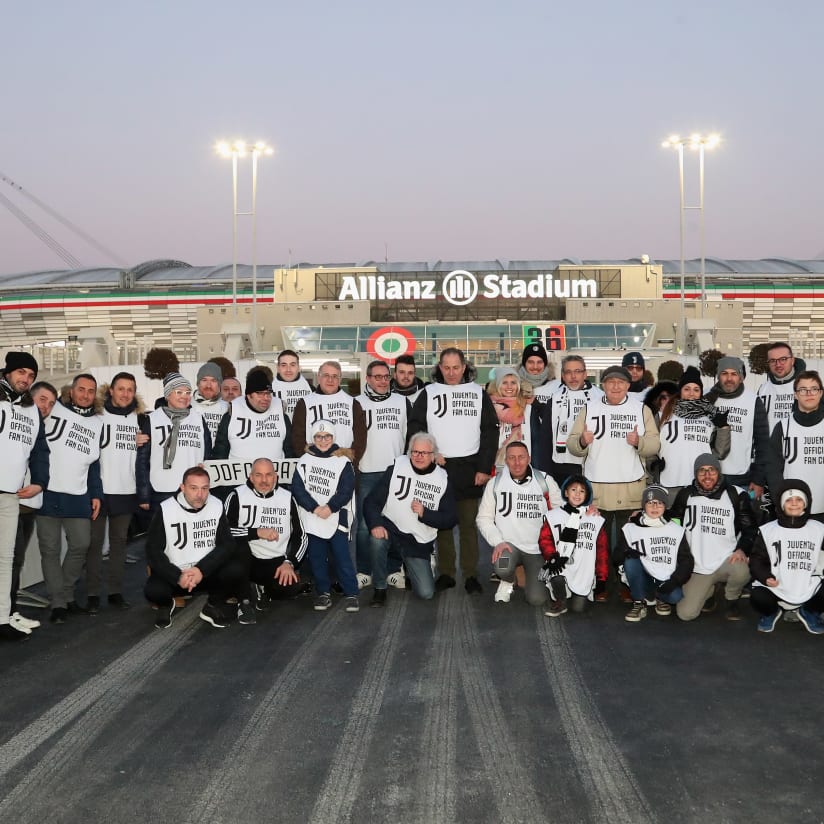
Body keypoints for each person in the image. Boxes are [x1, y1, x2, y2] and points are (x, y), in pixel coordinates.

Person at [407, 347, 499, 594]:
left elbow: (490, 431)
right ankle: (446, 573)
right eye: (446, 367)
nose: (451, 372)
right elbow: (416, 427)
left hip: (470, 468)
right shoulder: (428, 393)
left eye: (455, 367)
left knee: (469, 525)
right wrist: (429, 453)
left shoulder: (478, 393)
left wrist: (484, 468)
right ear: (439, 368)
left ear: (464, 367)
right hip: (438, 467)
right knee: (442, 524)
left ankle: (470, 574)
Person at [567, 364, 660, 601]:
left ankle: (628, 582)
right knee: (598, 540)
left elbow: (655, 445)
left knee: (629, 540)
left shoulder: (641, 410)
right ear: (603, 385)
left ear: (628, 385)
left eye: (621, 382)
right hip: (597, 487)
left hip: (631, 486)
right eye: (610, 382)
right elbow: (572, 444)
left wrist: (639, 441)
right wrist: (583, 442)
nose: (616, 386)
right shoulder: (589, 408)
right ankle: (601, 582)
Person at [144, 466, 247, 629]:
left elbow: (227, 544)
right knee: (154, 590)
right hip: (177, 575)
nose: (200, 494)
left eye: (204, 488)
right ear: (182, 488)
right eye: (193, 488)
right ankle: (166, 604)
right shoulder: (166, 508)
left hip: (204, 573)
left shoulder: (216, 505)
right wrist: (178, 576)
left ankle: (212, 606)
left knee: (236, 570)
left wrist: (201, 569)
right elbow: (153, 550)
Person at [37, 373, 103, 623]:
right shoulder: (54, 410)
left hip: (78, 494)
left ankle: (65, 594)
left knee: (81, 545)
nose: (86, 395)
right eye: (81, 389)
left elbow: (94, 464)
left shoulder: (98, 421)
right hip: (48, 493)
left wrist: (96, 493)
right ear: (72, 391)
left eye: (90, 391)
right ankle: (58, 603)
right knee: (50, 550)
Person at [364, 432, 456, 604]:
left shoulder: (442, 479)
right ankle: (379, 588)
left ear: (433, 455)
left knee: (427, 593)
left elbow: (450, 519)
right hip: (391, 528)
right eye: (415, 452)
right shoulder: (397, 467)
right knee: (376, 540)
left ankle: (414, 564)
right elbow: (371, 501)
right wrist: (375, 524)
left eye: (424, 453)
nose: (418, 457)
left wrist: (425, 514)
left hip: (417, 541)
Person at [86, 372, 147, 613]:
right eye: (120, 388)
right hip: (99, 491)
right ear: (111, 390)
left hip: (126, 490)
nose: (125, 394)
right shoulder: (97, 415)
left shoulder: (140, 419)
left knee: (119, 544)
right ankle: (92, 594)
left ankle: (115, 592)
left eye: (129, 389)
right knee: (94, 544)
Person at [670, 454, 757, 621]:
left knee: (742, 570)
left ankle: (731, 598)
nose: (707, 475)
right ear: (695, 474)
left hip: (727, 560)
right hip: (697, 564)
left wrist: (742, 549)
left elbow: (750, 529)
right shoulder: (686, 494)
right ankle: (709, 592)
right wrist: (643, 515)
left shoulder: (736, 495)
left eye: (712, 470)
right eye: (702, 471)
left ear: (719, 472)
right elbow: (673, 521)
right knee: (685, 614)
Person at [0, 353, 49, 641]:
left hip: (10, 493)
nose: (26, 379)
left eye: (31, 375)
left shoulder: (31, 410)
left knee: (6, 559)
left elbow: (40, 451)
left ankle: (2, 617)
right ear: (7, 372)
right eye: (21, 372)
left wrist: (40, 482)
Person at [476, 440, 561, 606]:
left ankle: (524, 573)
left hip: (536, 549)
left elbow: (560, 513)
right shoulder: (496, 483)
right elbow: (483, 518)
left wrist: (583, 511)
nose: (516, 462)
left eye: (521, 457)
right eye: (512, 458)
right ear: (505, 460)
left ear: (529, 458)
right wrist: (498, 542)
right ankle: (507, 581)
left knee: (537, 599)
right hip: (508, 546)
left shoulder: (544, 481)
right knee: (502, 567)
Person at [291, 420, 359, 612]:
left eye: (327, 436)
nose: (323, 440)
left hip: (336, 516)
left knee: (342, 557)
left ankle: (352, 593)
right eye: (319, 437)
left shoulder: (343, 461)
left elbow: (347, 489)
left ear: (333, 437)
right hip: (312, 517)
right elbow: (298, 488)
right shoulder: (304, 460)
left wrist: (330, 507)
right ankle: (323, 592)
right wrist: (314, 507)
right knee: (317, 558)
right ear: (313, 439)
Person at [224, 458, 307, 613]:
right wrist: (256, 532)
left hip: (275, 561)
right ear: (251, 477)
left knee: (289, 589)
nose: (264, 480)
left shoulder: (288, 498)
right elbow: (224, 532)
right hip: (246, 558)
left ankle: (260, 588)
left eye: (268, 475)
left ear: (275, 476)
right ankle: (245, 593)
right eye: (258, 475)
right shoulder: (236, 495)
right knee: (237, 551)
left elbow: (301, 536)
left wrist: (290, 563)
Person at [354, 360, 410, 587]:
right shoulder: (356, 403)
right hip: (366, 472)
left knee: (395, 522)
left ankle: (393, 569)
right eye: (377, 376)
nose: (382, 381)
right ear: (367, 379)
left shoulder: (402, 402)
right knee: (365, 525)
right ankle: (364, 570)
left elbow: (409, 436)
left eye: (386, 377)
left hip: (394, 473)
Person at [9, 380, 56, 636]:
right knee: (10, 562)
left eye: (50, 404)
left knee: (16, 561)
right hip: (13, 503)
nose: (46, 407)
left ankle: (9, 611)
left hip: (29, 506)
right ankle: (7, 612)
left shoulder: (40, 427)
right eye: (42, 400)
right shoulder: (18, 421)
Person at [749, 479, 824, 634]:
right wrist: (765, 577)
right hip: (777, 585)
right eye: (789, 500)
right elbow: (757, 559)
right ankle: (771, 612)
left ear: (806, 503)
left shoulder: (818, 529)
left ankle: (809, 611)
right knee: (758, 596)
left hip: (809, 583)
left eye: (799, 499)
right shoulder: (768, 530)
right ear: (782, 505)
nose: (794, 503)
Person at [615, 484, 693, 622]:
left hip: (665, 579)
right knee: (631, 561)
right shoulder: (631, 528)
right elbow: (616, 557)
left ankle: (658, 597)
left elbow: (687, 560)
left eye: (659, 503)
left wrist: (674, 581)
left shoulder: (675, 529)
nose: (655, 507)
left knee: (675, 597)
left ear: (665, 506)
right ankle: (639, 602)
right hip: (643, 577)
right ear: (643, 506)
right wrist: (626, 552)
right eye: (650, 503)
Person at [136, 372, 212, 512]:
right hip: (161, 490)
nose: (184, 396)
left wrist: (206, 466)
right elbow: (142, 460)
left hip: (193, 491)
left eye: (188, 392)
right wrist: (144, 495)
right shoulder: (152, 420)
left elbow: (208, 453)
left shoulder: (198, 419)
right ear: (168, 395)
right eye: (179, 392)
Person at [653, 366, 731, 501]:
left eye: (696, 390)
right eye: (687, 389)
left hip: (700, 486)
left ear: (701, 392)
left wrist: (723, 428)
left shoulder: (710, 415)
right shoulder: (663, 415)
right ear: (680, 391)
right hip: (670, 483)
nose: (691, 394)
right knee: (673, 522)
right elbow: (652, 445)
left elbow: (720, 453)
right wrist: (652, 464)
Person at [538, 475, 608, 616]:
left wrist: (602, 576)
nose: (577, 494)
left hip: (583, 569)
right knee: (557, 575)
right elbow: (544, 539)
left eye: (582, 491)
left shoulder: (594, 519)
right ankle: (561, 600)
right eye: (573, 490)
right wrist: (552, 556)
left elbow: (602, 549)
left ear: (587, 495)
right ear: (566, 492)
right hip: (562, 565)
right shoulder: (554, 515)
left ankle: (575, 594)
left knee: (578, 609)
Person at [705, 356, 769, 500]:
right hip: (708, 475)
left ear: (741, 377)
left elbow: (763, 444)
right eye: (724, 373)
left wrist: (758, 479)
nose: (729, 378)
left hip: (741, 477)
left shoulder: (753, 401)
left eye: (734, 374)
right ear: (718, 376)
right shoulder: (706, 398)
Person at [533, 354, 602, 485]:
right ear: (563, 376)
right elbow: (545, 439)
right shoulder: (554, 399)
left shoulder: (600, 398)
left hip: (593, 465)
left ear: (585, 374)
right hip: (561, 467)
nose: (573, 376)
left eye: (578, 371)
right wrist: (545, 474)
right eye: (568, 372)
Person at [766, 371, 824, 522]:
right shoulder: (783, 427)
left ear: (821, 393)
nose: (809, 393)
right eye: (803, 389)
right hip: (793, 511)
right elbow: (773, 470)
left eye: (814, 388)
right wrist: (783, 502)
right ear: (795, 395)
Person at [290, 360, 366, 468]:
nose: (330, 380)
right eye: (326, 375)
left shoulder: (352, 403)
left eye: (335, 376)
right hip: (314, 467)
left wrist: (351, 459)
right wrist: (309, 459)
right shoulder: (304, 403)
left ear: (340, 379)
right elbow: (297, 438)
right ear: (319, 376)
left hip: (345, 466)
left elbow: (361, 438)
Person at [212, 367, 292, 462]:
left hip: (274, 474)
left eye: (268, 393)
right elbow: (221, 451)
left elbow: (290, 449)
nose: (266, 398)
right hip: (238, 474)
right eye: (260, 394)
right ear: (249, 395)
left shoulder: (280, 413)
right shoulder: (232, 414)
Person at [486, 367, 532, 467]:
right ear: (497, 385)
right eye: (504, 383)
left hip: (524, 462)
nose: (509, 386)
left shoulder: (527, 405)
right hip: (495, 461)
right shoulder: (489, 407)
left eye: (513, 383)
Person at [757, 342, 805, 432]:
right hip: (770, 445)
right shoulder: (763, 389)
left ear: (792, 360)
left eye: (783, 359)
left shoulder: (809, 387)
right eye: (773, 360)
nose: (778, 364)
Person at [191, 362, 229, 443]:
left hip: (221, 455)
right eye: (204, 380)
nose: (208, 385)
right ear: (198, 383)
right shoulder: (188, 405)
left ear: (219, 384)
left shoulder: (228, 408)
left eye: (213, 380)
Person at [271, 349, 312, 419]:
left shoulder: (312, 390)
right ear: (278, 368)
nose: (288, 369)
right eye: (284, 365)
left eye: (292, 365)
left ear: (299, 367)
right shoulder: (267, 391)